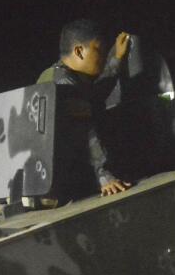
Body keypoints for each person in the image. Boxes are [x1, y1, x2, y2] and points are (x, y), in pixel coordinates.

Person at [38, 19, 132, 196]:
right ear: (79, 51)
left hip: (51, 176)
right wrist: (103, 175)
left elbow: (94, 97)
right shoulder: (63, 83)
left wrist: (118, 59)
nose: (104, 56)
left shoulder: (57, 75)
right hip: (64, 180)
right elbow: (85, 129)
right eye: (99, 50)